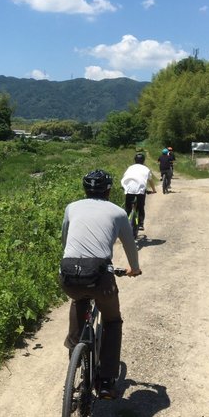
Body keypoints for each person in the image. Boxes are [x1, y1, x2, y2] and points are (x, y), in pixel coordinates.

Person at [60, 169, 142, 400]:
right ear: (108, 190)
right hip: (100, 277)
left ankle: (75, 352)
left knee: (78, 300)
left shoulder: (71, 207)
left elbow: (66, 239)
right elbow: (129, 245)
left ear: (85, 190)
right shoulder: (117, 212)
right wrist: (133, 268)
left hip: (68, 270)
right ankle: (105, 381)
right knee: (112, 321)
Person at [120, 152, 156, 231]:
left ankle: (125, 225)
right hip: (140, 190)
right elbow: (151, 181)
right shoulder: (146, 169)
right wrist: (154, 190)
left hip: (128, 188)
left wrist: (124, 186)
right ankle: (140, 224)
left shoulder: (130, 167)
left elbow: (125, 177)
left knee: (128, 208)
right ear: (143, 161)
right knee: (140, 207)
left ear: (135, 160)